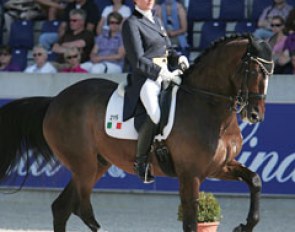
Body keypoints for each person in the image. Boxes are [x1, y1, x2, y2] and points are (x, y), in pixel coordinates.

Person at [122, 0, 189, 183]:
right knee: (156, 115)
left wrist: (179, 57)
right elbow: (138, 60)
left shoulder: (156, 20)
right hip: (146, 79)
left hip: (166, 74)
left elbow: (168, 48)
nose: (149, 0)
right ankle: (141, 162)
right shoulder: (131, 23)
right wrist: (161, 72)